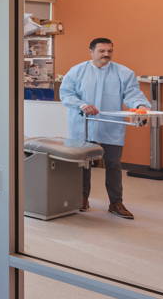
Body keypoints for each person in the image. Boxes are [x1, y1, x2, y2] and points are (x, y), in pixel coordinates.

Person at [60, 38, 149, 219]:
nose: (106, 54)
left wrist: (140, 106)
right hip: (83, 124)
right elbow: (66, 94)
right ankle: (82, 198)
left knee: (113, 163)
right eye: (101, 51)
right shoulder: (77, 71)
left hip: (111, 125)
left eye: (109, 51)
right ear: (90, 51)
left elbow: (133, 95)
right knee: (83, 163)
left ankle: (116, 202)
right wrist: (82, 104)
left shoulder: (124, 73)